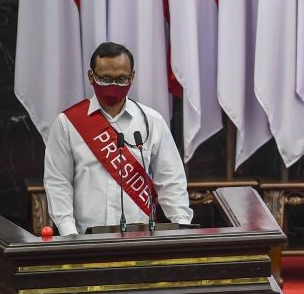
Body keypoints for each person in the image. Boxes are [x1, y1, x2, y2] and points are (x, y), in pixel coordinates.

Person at [43, 42, 193, 235]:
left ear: (132, 77)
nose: (113, 87)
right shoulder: (68, 123)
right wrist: (70, 235)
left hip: (141, 238)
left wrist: (182, 230)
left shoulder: (151, 121)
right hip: (85, 239)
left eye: (122, 79)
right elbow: (58, 183)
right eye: (105, 79)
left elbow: (171, 181)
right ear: (91, 77)